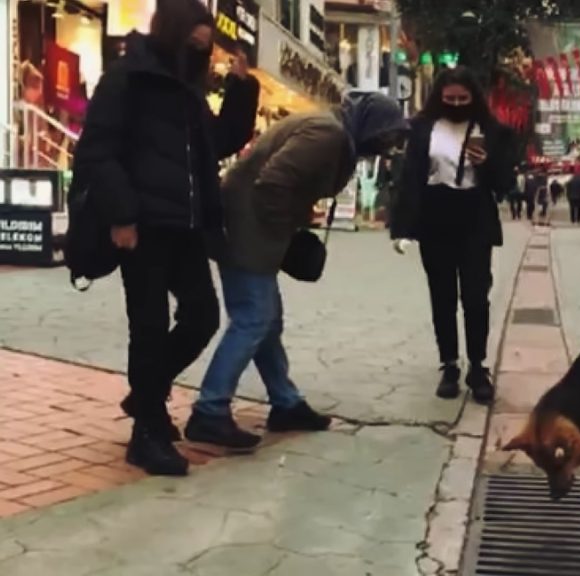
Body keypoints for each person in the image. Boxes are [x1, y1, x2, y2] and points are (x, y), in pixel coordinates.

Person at [70, 0, 260, 476]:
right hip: (142, 227)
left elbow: (216, 145)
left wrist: (241, 89)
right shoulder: (127, 78)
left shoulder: (189, 91)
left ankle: (146, 395)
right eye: (193, 43)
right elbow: (97, 152)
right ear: (171, 34)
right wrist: (122, 215)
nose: (199, 53)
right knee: (149, 327)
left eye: (205, 46)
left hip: (187, 226)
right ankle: (147, 432)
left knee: (202, 317)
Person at [184, 93, 408, 450]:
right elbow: (273, 183)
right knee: (253, 320)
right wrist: (287, 230)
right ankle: (209, 411)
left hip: (249, 227)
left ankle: (285, 402)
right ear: (372, 126)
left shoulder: (333, 132)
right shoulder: (328, 135)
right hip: (248, 230)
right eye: (388, 135)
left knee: (266, 321)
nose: (389, 145)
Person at [390, 67, 514, 404]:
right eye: (449, 99)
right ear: (438, 98)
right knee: (442, 296)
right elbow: (410, 178)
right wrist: (401, 228)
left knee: (476, 297)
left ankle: (478, 366)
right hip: (435, 215)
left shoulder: (491, 130)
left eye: (463, 99)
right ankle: (449, 365)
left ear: (473, 98)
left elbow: (506, 185)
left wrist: (486, 164)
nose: (456, 104)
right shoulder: (422, 128)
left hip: (475, 217)